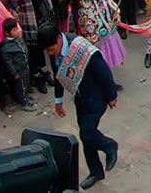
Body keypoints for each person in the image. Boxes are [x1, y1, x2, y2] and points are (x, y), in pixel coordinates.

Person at [41, 25, 119, 191]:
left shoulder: (81, 48)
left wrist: (112, 95)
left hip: (96, 96)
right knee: (86, 137)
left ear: (59, 39)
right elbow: (59, 74)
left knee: (87, 132)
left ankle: (109, 145)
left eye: (51, 49)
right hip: (80, 97)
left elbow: (103, 70)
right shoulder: (55, 52)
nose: (50, 53)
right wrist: (58, 100)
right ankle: (96, 171)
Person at [0, 18, 36, 112]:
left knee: (26, 84)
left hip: (25, 66)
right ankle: (24, 102)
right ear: (7, 33)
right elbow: (9, 63)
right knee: (22, 87)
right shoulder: (7, 47)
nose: (17, 31)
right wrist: (15, 73)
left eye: (16, 29)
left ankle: (27, 98)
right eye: (14, 30)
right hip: (19, 70)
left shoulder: (18, 40)